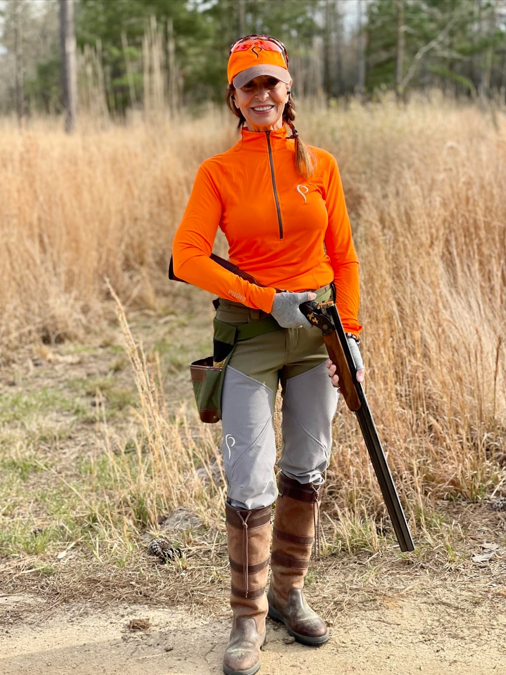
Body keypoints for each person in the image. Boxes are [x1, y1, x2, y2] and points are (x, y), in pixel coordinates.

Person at [172, 34, 365, 675]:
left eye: (270, 82)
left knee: (308, 466)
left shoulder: (322, 166)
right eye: (247, 84)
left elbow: (344, 258)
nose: (261, 94)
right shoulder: (217, 172)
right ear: (233, 97)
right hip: (249, 337)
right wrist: (263, 298)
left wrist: (349, 334)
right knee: (249, 478)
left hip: (317, 335)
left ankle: (287, 594)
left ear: (288, 89)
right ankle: (247, 617)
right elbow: (187, 256)